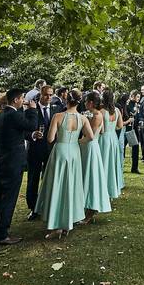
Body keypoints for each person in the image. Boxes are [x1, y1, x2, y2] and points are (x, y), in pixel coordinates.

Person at [0, 88, 39, 245]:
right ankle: (1, 234)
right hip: (13, 163)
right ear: (16, 100)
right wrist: (32, 110)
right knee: (9, 198)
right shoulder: (14, 115)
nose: (23, 101)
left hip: (1, 161)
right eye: (22, 98)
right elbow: (31, 125)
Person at [33, 89, 86, 239]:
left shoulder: (58, 116)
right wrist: (76, 142)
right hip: (74, 153)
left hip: (60, 151)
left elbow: (49, 139)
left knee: (56, 186)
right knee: (70, 186)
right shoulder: (83, 118)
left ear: (66, 101)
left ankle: (56, 224)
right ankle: (67, 223)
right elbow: (90, 136)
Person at [80, 90, 111, 223]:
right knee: (87, 176)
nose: (85, 103)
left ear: (91, 103)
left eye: (86, 101)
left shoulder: (97, 115)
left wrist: (76, 141)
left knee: (90, 177)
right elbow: (102, 131)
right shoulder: (96, 114)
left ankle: (90, 211)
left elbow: (90, 136)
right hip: (92, 147)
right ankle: (86, 208)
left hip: (90, 148)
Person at [25, 85, 55, 220]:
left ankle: (48, 205)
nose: (49, 97)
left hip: (51, 150)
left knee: (49, 178)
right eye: (46, 95)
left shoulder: (56, 109)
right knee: (33, 179)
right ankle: (33, 208)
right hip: (35, 150)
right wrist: (32, 134)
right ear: (40, 95)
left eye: (51, 95)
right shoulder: (31, 110)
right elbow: (23, 131)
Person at [100, 89, 124, 199]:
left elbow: (101, 129)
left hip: (103, 139)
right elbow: (120, 126)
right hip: (113, 138)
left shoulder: (101, 111)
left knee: (103, 163)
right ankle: (111, 187)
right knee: (112, 163)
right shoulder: (117, 110)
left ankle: (102, 187)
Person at [123, 90, 140, 173]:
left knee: (135, 147)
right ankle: (121, 166)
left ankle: (134, 167)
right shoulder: (127, 104)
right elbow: (128, 114)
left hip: (135, 128)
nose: (138, 99)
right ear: (132, 96)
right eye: (137, 97)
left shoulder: (137, 105)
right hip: (128, 128)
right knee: (123, 146)